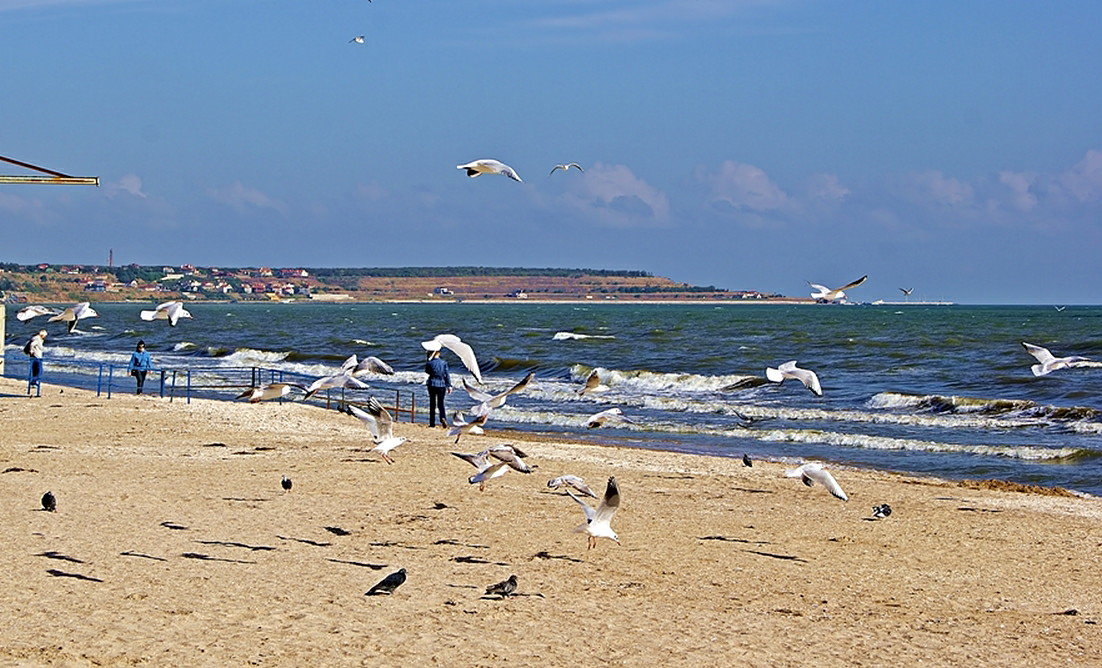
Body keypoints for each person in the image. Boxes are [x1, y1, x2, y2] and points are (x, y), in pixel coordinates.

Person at [424, 348, 451, 427]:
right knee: (441, 403)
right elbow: (447, 375)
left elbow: (427, 371)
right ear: (438, 353)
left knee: (432, 404)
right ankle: (443, 418)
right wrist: (449, 385)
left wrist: (428, 359)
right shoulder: (443, 363)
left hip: (432, 383)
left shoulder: (429, 363)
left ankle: (432, 423)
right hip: (441, 384)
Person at [26, 329, 46, 395]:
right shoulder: (37, 339)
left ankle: (33, 382)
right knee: (39, 371)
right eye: (44, 336)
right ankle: (33, 381)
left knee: (35, 371)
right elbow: (32, 344)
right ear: (42, 335)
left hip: (35, 357)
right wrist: (32, 351)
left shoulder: (35, 338)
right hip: (37, 357)